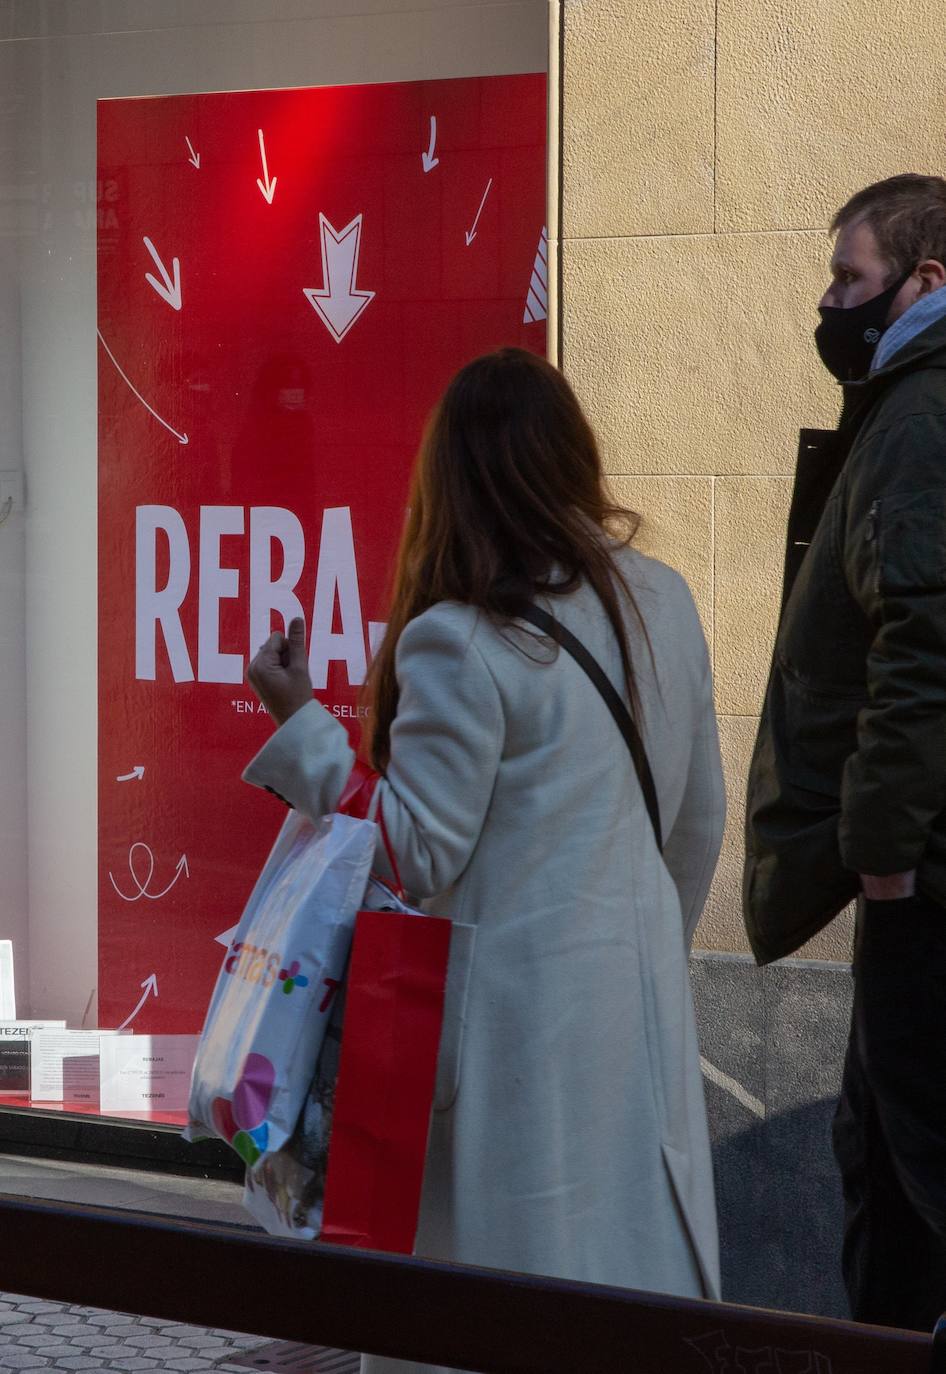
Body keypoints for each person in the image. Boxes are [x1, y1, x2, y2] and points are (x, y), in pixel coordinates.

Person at [245, 348, 725, 1371]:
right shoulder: (665, 600)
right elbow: (696, 827)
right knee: (625, 1301)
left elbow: (414, 853)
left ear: (452, 481)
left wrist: (301, 724)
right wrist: (642, 952)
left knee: (493, 1313)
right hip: (635, 1019)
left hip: (504, 1041)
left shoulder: (460, 639)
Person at [744, 174, 946, 1331]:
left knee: (912, 1169)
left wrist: (880, 857)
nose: (828, 303)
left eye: (848, 278)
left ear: (925, 282)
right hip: (913, 873)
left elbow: (923, 643)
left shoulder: (919, 415)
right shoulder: (903, 406)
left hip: (921, 885)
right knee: (886, 1180)